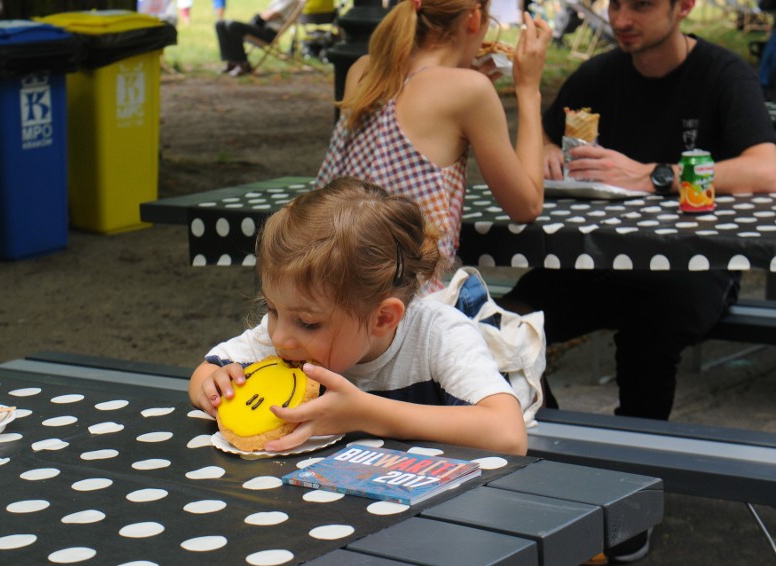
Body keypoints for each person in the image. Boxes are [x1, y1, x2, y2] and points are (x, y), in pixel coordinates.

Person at [500, 0, 776, 558]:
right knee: (505, 322)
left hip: (693, 265)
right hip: (596, 263)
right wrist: (549, 152)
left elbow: (767, 167)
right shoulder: (597, 73)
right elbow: (548, 137)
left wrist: (655, 175)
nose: (623, 18)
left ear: (684, 7)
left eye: (642, 5)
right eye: (615, 4)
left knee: (649, 338)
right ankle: (554, 461)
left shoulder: (722, 73)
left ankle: (628, 489)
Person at [189, 177, 528, 455]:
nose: (278, 336)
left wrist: (364, 413)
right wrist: (213, 387)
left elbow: (508, 435)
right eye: (272, 309)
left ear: (383, 318)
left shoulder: (438, 337)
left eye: (308, 323)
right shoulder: (285, 336)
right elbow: (206, 372)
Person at [315, 0, 552, 292]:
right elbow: (526, 205)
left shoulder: (363, 71)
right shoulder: (470, 90)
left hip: (334, 288)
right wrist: (528, 90)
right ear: (474, 18)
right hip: (407, 307)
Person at [215, 0, 299, 77]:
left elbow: (269, 15)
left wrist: (264, 14)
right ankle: (232, 61)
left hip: (269, 33)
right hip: (261, 27)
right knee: (220, 24)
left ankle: (243, 64)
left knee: (233, 26)